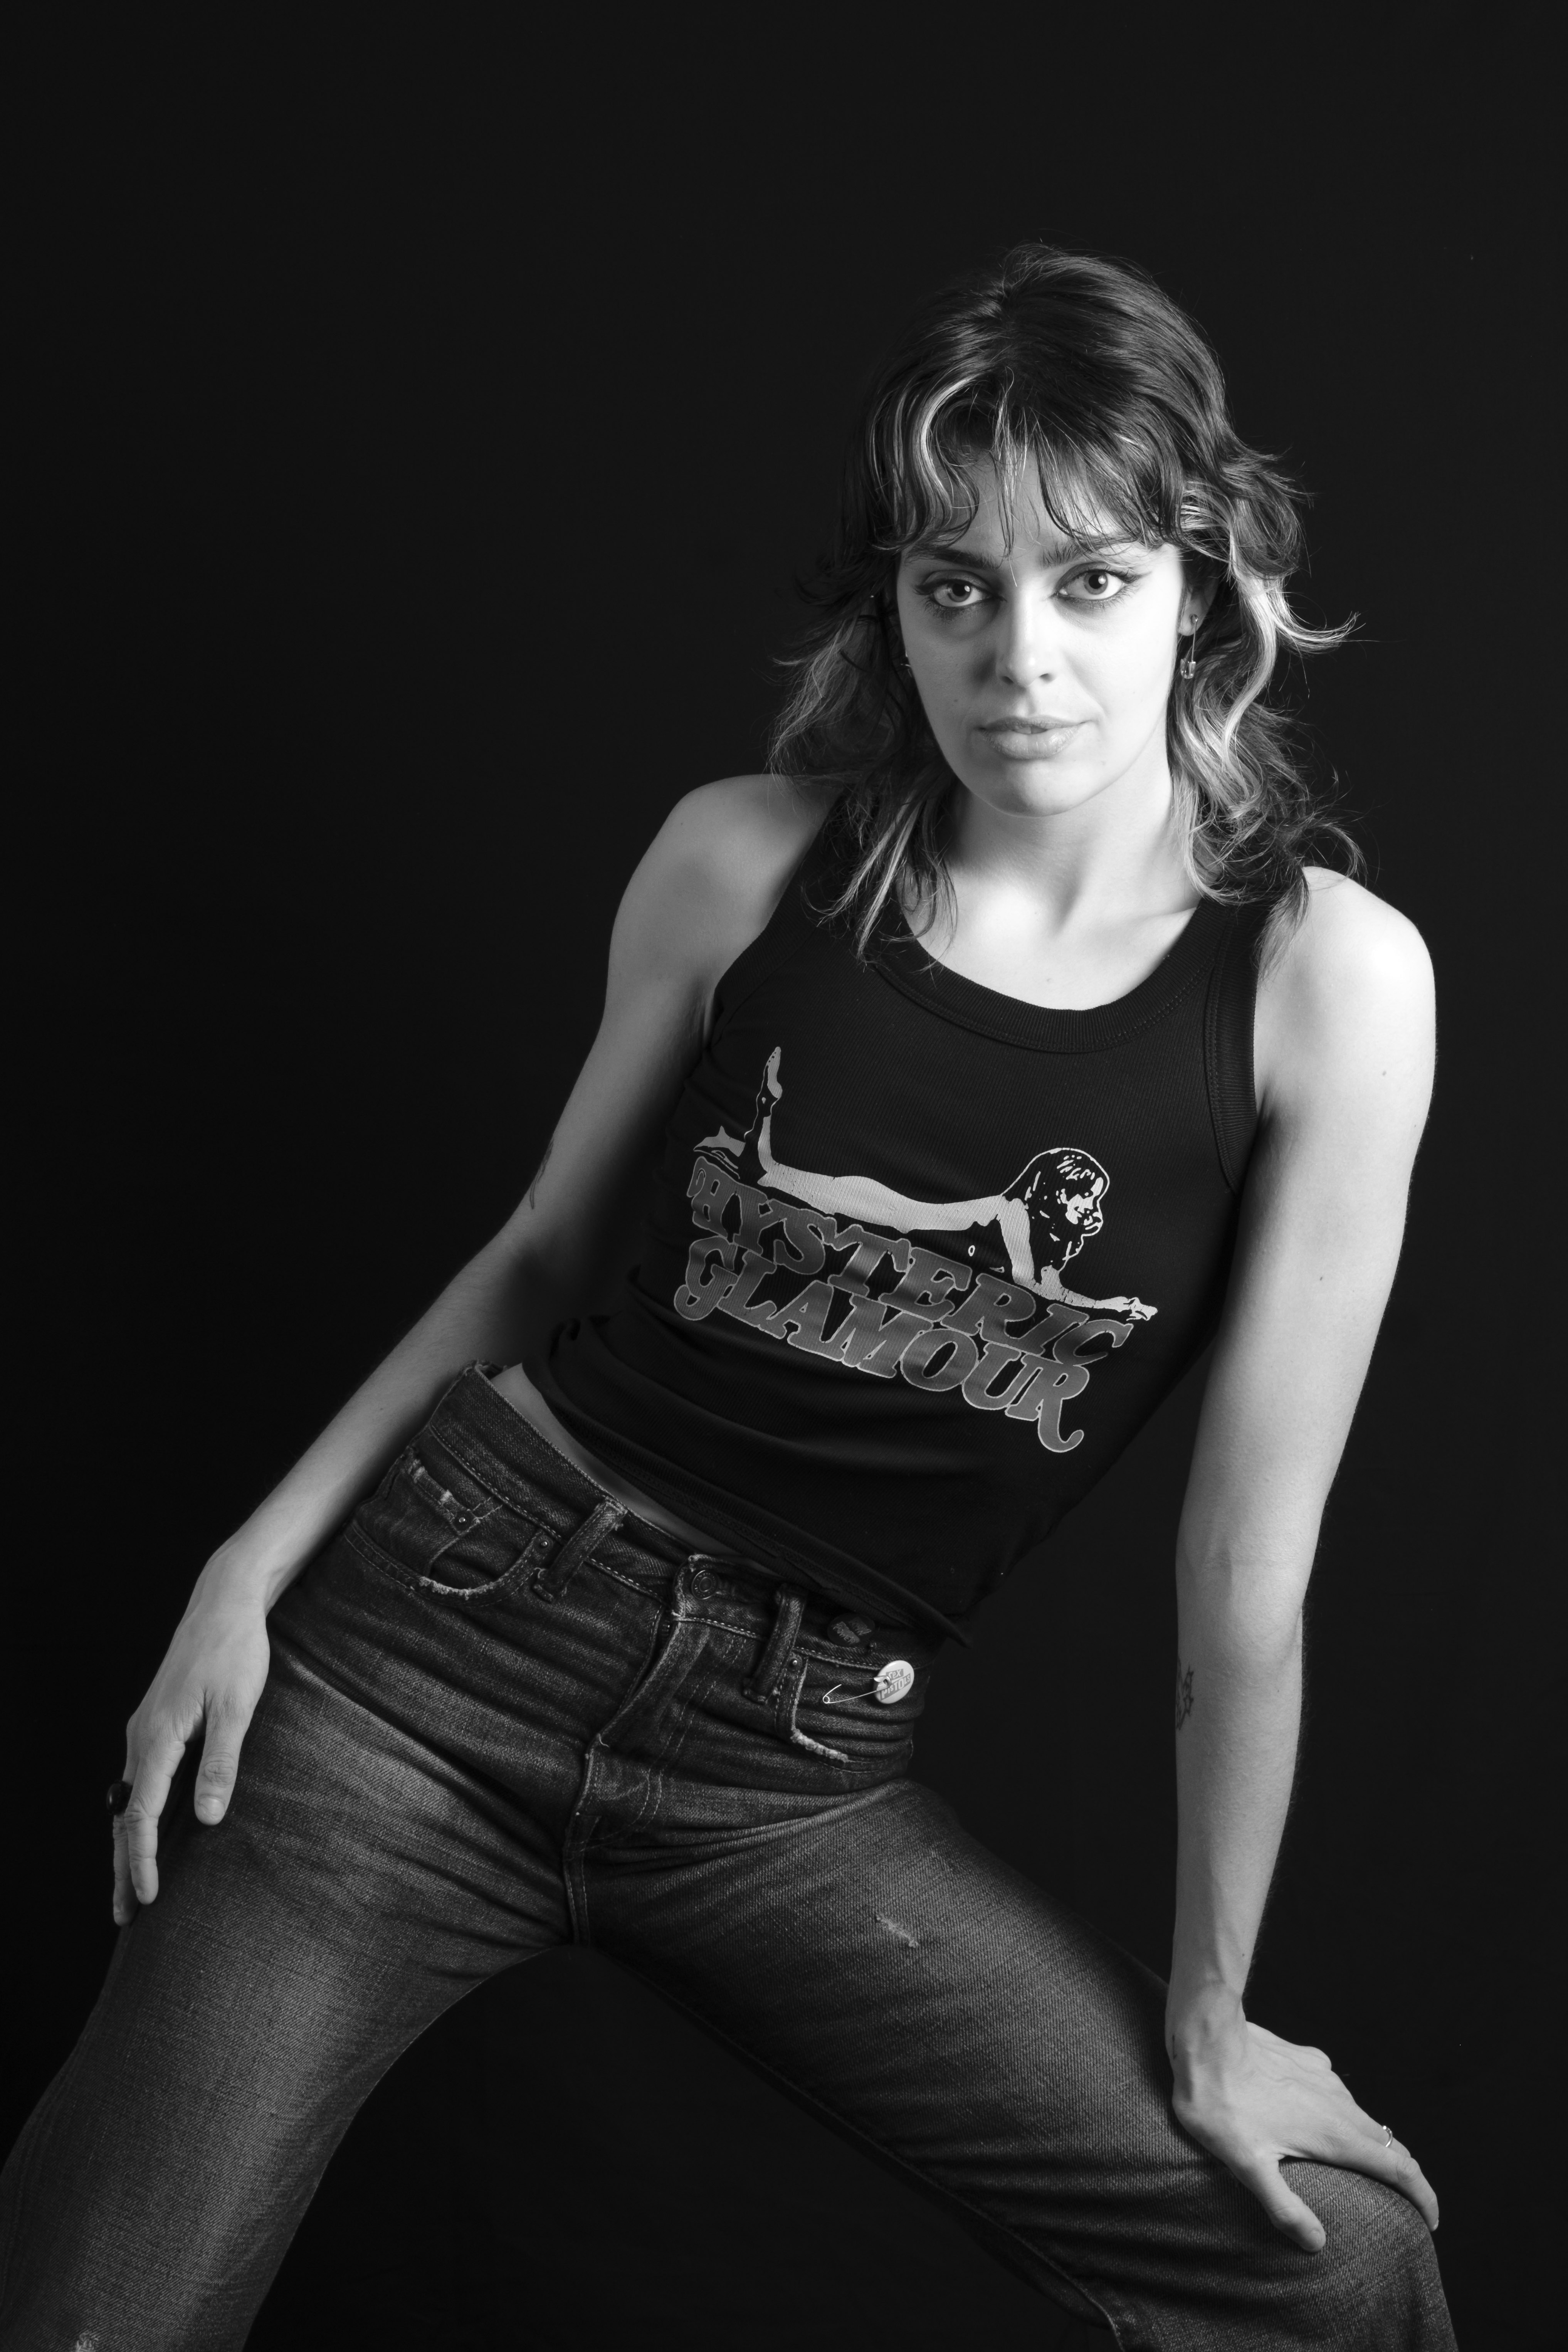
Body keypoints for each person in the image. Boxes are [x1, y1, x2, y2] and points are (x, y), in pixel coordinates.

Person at [0, 244, 1455, 2349]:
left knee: (1340, 2272)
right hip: (428, 1656)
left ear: (1202, 585)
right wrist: (248, 1568)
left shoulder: (1324, 983)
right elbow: (539, 1254)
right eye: (954, 587)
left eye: (1091, 582)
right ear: (892, 606)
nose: (1021, 659)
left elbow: (1246, 1571)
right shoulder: (748, 860)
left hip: (789, 1770)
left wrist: (1213, 2016)